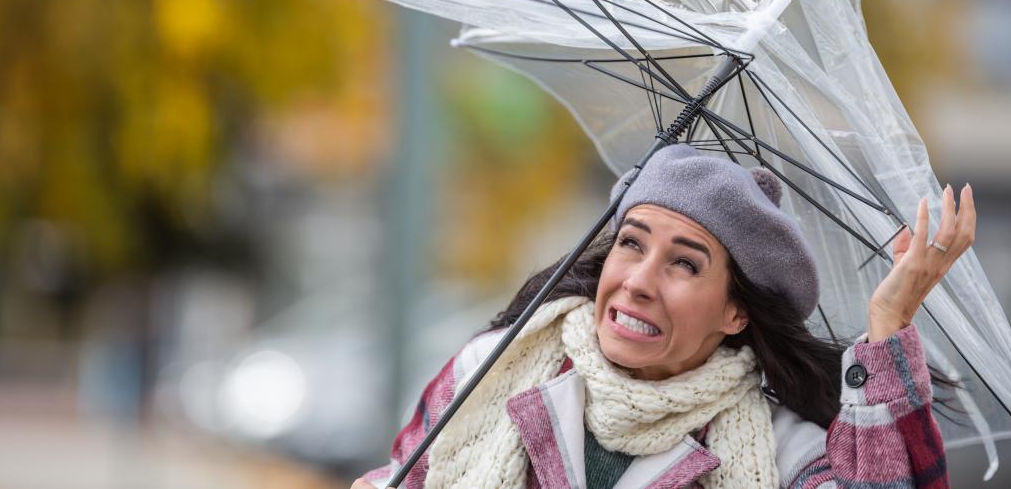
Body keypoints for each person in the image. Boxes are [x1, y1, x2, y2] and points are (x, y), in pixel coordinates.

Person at [353, 143, 975, 488]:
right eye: (631, 243)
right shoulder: (491, 371)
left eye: (684, 264)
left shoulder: (785, 457)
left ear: (736, 311)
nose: (639, 282)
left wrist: (889, 322)